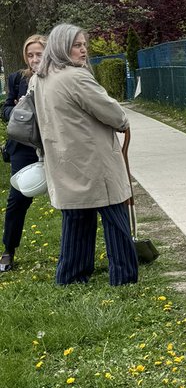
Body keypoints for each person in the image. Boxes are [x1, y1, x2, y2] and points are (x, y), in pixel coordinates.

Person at [31, 24, 139, 287]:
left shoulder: (41, 77)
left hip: (64, 159)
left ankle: (71, 277)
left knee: (77, 219)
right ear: (61, 47)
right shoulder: (75, 77)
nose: (83, 50)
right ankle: (123, 278)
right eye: (76, 45)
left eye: (84, 45)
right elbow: (113, 114)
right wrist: (122, 120)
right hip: (93, 159)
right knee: (115, 216)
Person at [1, 34, 46, 272]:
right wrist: (16, 110)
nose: (34, 59)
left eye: (39, 54)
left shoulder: (58, 78)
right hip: (23, 147)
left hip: (53, 146)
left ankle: (75, 251)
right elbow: (5, 108)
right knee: (17, 199)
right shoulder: (17, 78)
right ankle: (8, 250)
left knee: (69, 198)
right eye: (30, 55)